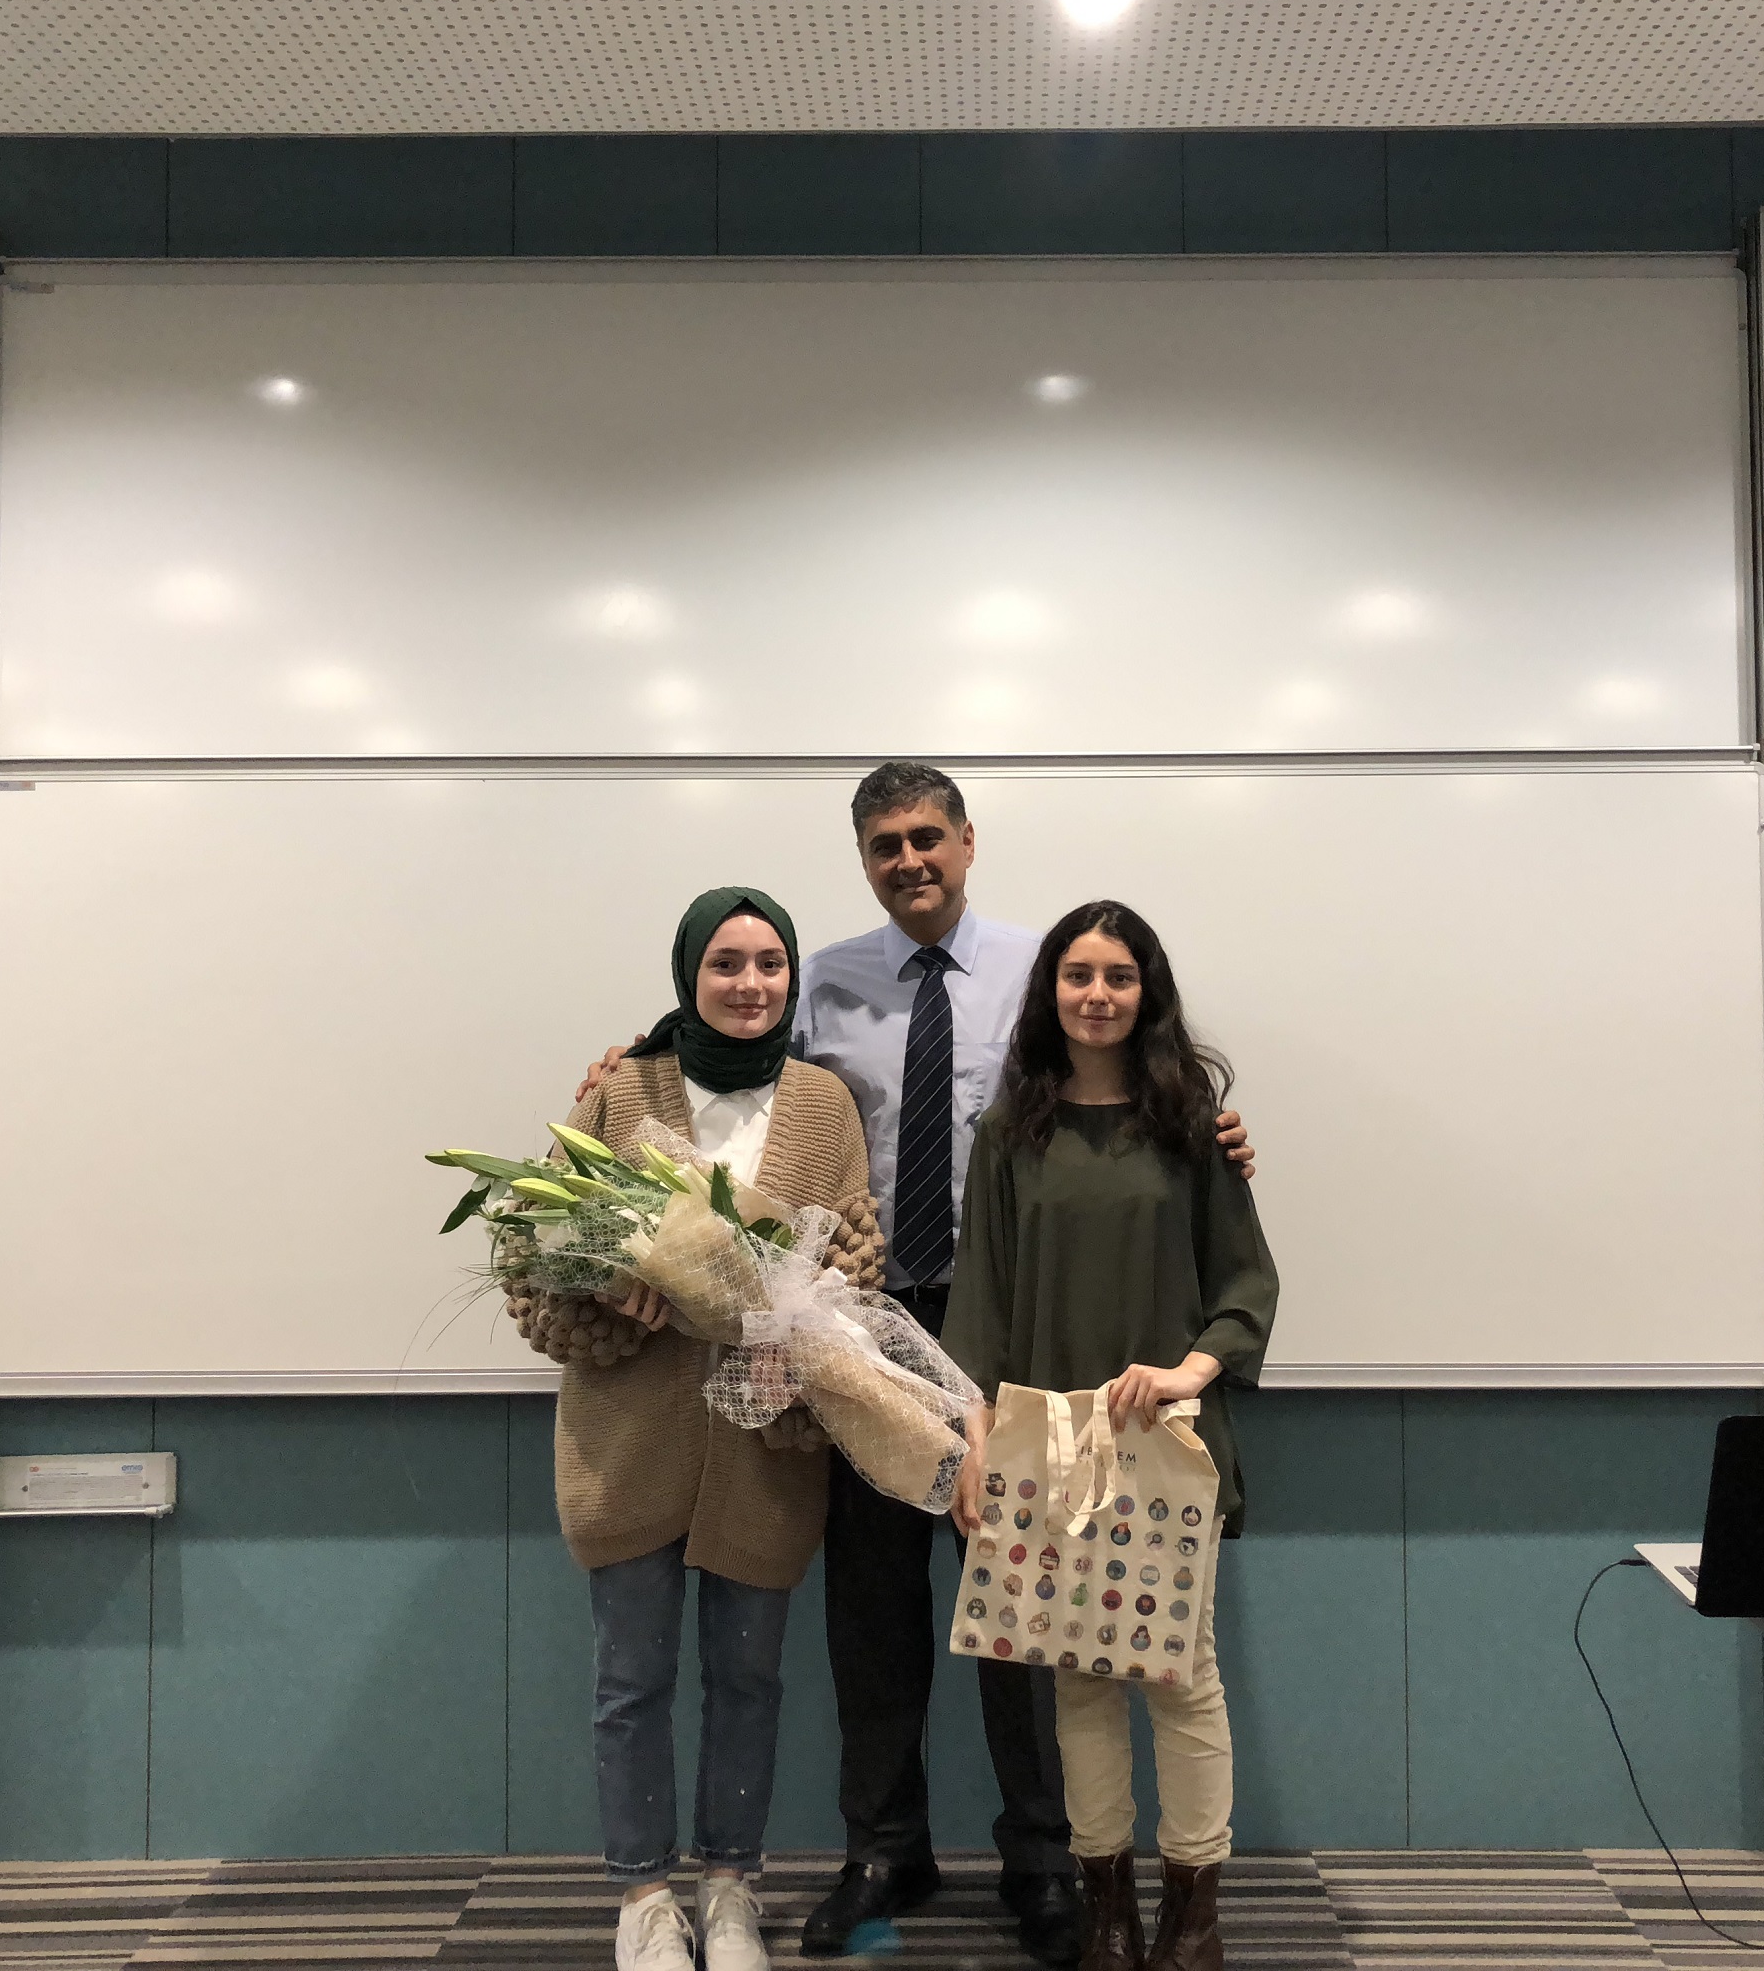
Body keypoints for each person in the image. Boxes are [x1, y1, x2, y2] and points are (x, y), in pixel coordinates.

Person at [579, 763, 1254, 1966]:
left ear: (966, 841)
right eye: (885, 843)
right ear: (864, 858)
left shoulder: (1044, 968)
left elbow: (1116, 1086)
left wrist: (1214, 1130)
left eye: (927, 836)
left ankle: (1042, 1858)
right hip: (858, 1317)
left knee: (1026, 1591)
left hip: (1019, 1314)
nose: (909, 859)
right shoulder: (821, 979)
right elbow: (727, 1048)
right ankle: (884, 1848)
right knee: (872, 1600)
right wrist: (618, 1063)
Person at [942, 900, 1278, 1971]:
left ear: (1147, 992)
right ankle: (1108, 1911)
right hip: (1047, 1444)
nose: (1096, 995)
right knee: (1078, 1675)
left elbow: (1244, 1284)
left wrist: (1187, 1372)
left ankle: (1194, 1912)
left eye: (1118, 976)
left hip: (1169, 1439)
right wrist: (976, 1440)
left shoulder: (1194, 1125)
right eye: (1078, 975)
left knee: (1180, 1675)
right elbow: (981, 1300)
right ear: (1049, 990)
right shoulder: (1009, 1132)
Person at [545, 887, 872, 1971]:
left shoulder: (823, 1103)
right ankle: (643, 1896)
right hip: (629, 1436)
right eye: (726, 962)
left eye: (770, 963)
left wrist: (802, 1327)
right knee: (630, 1683)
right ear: (689, 972)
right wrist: (608, 1292)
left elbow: (855, 1259)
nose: (749, 983)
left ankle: (730, 1887)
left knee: (748, 1679)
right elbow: (537, 1257)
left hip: (764, 1442)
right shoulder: (620, 1089)